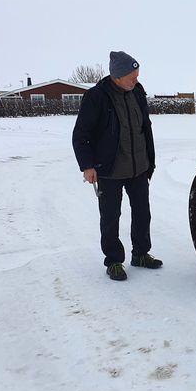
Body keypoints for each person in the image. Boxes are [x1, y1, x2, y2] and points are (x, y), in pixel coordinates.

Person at [72, 51, 162, 281]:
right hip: (110, 168)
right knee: (111, 216)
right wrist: (87, 165)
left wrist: (149, 160)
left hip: (138, 166)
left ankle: (141, 254)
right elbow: (81, 134)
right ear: (117, 76)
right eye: (132, 76)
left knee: (143, 212)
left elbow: (145, 127)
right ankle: (113, 260)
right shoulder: (97, 97)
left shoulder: (137, 92)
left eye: (138, 75)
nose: (137, 80)